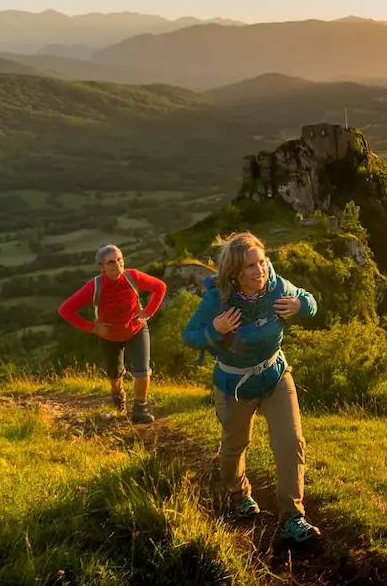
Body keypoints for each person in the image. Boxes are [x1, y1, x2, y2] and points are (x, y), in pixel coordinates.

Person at [181, 231, 321, 544]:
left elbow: (311, 302)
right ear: (234, 272)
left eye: (262, 261)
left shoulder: (277, 286)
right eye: (250, 266)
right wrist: (214, 330)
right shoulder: (216, 299)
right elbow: (188, 336)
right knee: (235, 445)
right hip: (234, 385)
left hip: (275, 375)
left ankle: (293, 517)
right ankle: (238, 493)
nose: (260, 270)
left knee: (291, 442)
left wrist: (300, 305)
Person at [57, 244, 167, 424]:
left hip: (136, 330)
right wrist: (92, 327)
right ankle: (118, 395)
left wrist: (148, 312)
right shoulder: (94, 286)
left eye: (119, 259)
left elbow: (160, 287)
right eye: (111, 262)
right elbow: (65, 310)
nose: (117, 264)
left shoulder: (133, 277)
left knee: (142, 369)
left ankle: (140, 408)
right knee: (114, 374)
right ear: (101, 267)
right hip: (109, 337)